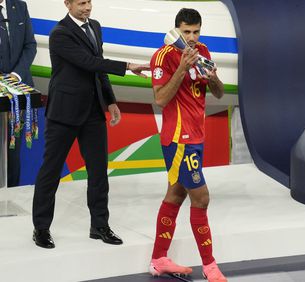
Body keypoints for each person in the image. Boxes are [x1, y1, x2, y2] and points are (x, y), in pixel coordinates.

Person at [31, 0, 149, 249]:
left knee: (98, 173)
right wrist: (127, 66)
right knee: (50, 173)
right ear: (67, 3)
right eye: (81, 3)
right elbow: (88, 62)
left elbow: (98, 67)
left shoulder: (95, 26)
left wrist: (110, 101)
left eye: (89, 1)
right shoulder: (60, 34)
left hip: (93, 112)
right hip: (64, 113)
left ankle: (99, 226)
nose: (87, 7)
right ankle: (41, 228)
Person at [149, 8, 227, 282]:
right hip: (178, 139)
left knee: (175, 195)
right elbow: (160, 99)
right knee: (202, 197)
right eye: (186, 32)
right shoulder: (163, 56)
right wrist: (183, 67)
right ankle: (210, 266)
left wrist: (212, 75)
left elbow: (218, 92)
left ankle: (159, 260)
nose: (192, 38)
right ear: (177, 30)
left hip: (197, 137)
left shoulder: (203, 50)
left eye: (196, 32)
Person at [0, 0, 36, 187]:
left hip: (17, 91)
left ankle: (10, 195)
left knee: (13, 150)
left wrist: (15, 75)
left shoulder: (19, 6)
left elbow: (30, 45)